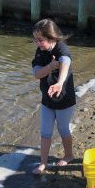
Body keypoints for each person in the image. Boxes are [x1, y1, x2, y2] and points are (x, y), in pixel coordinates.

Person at [31, 18, 76, 174]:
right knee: (45, 132)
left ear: (52, 38)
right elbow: (37, 74)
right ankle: (43, 163)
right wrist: (50, 66)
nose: (37, 43)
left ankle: (69, 155)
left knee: (63, 129)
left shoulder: (62, 49)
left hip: (64, 99)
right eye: (35, 40)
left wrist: (60, 83)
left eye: (40, 40)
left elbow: (65, 63)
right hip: (47, 99)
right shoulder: (40, 51)